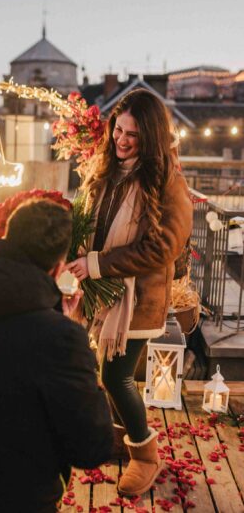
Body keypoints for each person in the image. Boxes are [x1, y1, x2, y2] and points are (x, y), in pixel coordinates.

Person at [0, 198, 113, 513]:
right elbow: (93, 447)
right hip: (16, 500)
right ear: (57, 268)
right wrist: (75, 337)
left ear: (4, 240)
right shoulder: (61, 339)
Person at [67, 88, 193, 496]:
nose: (120, 140)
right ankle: (116, 434)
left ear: (152, 137)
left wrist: (97, 264)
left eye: (132, 135)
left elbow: (163, 247)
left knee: (116, 375)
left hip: (137, 300)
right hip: (98, 291)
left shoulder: (168, 181)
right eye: (117, 129)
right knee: (99, 370)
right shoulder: (107, 167)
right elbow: (89, 218)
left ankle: (144, 455)